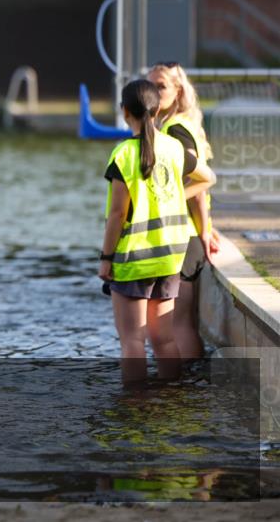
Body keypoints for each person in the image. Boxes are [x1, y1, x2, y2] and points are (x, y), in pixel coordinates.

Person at [99, 80, 216, 386]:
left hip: (133, 258)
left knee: (133, 342)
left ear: (125, 112)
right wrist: (178, 193)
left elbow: (117, 214)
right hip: (170, 257)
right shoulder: (174, 148)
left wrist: (105, 259)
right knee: (164, 339)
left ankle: (135, 405)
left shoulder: (123, 154)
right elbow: (208, 177)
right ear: (156, 109)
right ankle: (171, 399)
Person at [148, 62, 217, 361]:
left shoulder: (176, 129)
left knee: (180, 323)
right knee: (180, 323)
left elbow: (198, 184)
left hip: (184, 236)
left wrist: (202, 231)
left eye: (161, 86)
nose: (154, 92)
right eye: (150, 85)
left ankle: (185, 390)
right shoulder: (178, 125)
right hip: (187, 232)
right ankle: (186, 389)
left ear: (178, 91)